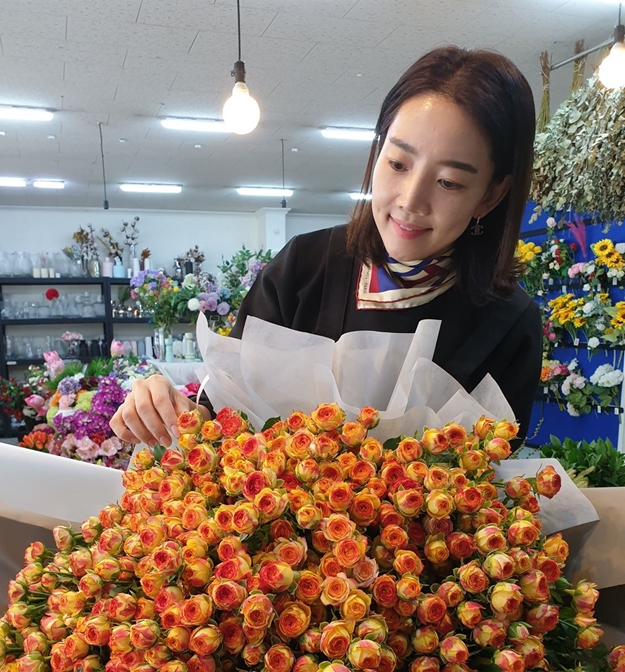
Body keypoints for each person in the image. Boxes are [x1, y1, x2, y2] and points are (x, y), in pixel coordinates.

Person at [111, 45, 541, 448]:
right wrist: (168, 407)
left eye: (448, 181)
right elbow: (224, 417)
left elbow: (491, 489)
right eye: (396, 163)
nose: (410, 200)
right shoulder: (304, 267)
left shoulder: (507, 323)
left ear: (490, 195)